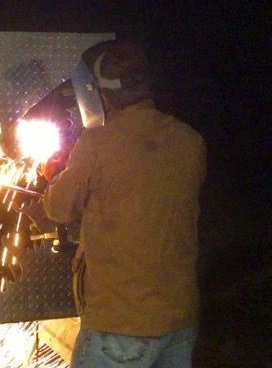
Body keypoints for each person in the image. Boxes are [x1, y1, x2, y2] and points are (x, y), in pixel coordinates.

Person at [23, 40, 206, 367]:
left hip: (120, 324)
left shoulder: (97, 143)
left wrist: (56, 176)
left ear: (97, 94)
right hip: (180, 320)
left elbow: (58, 208)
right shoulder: (189, 140)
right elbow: (141, 190)